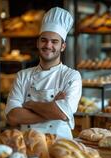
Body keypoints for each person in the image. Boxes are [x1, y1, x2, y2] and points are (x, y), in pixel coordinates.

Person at [5, 7, 82, 139]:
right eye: (44, 40)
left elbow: (63, 114)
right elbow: (12, 117)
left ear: (62, 47)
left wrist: (30, 104)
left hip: (60, 145)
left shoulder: (71, 76)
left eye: (54, 41)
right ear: (37, 42)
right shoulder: (23, 76)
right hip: (28, 146)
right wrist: (52, 110)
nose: (48, 45)